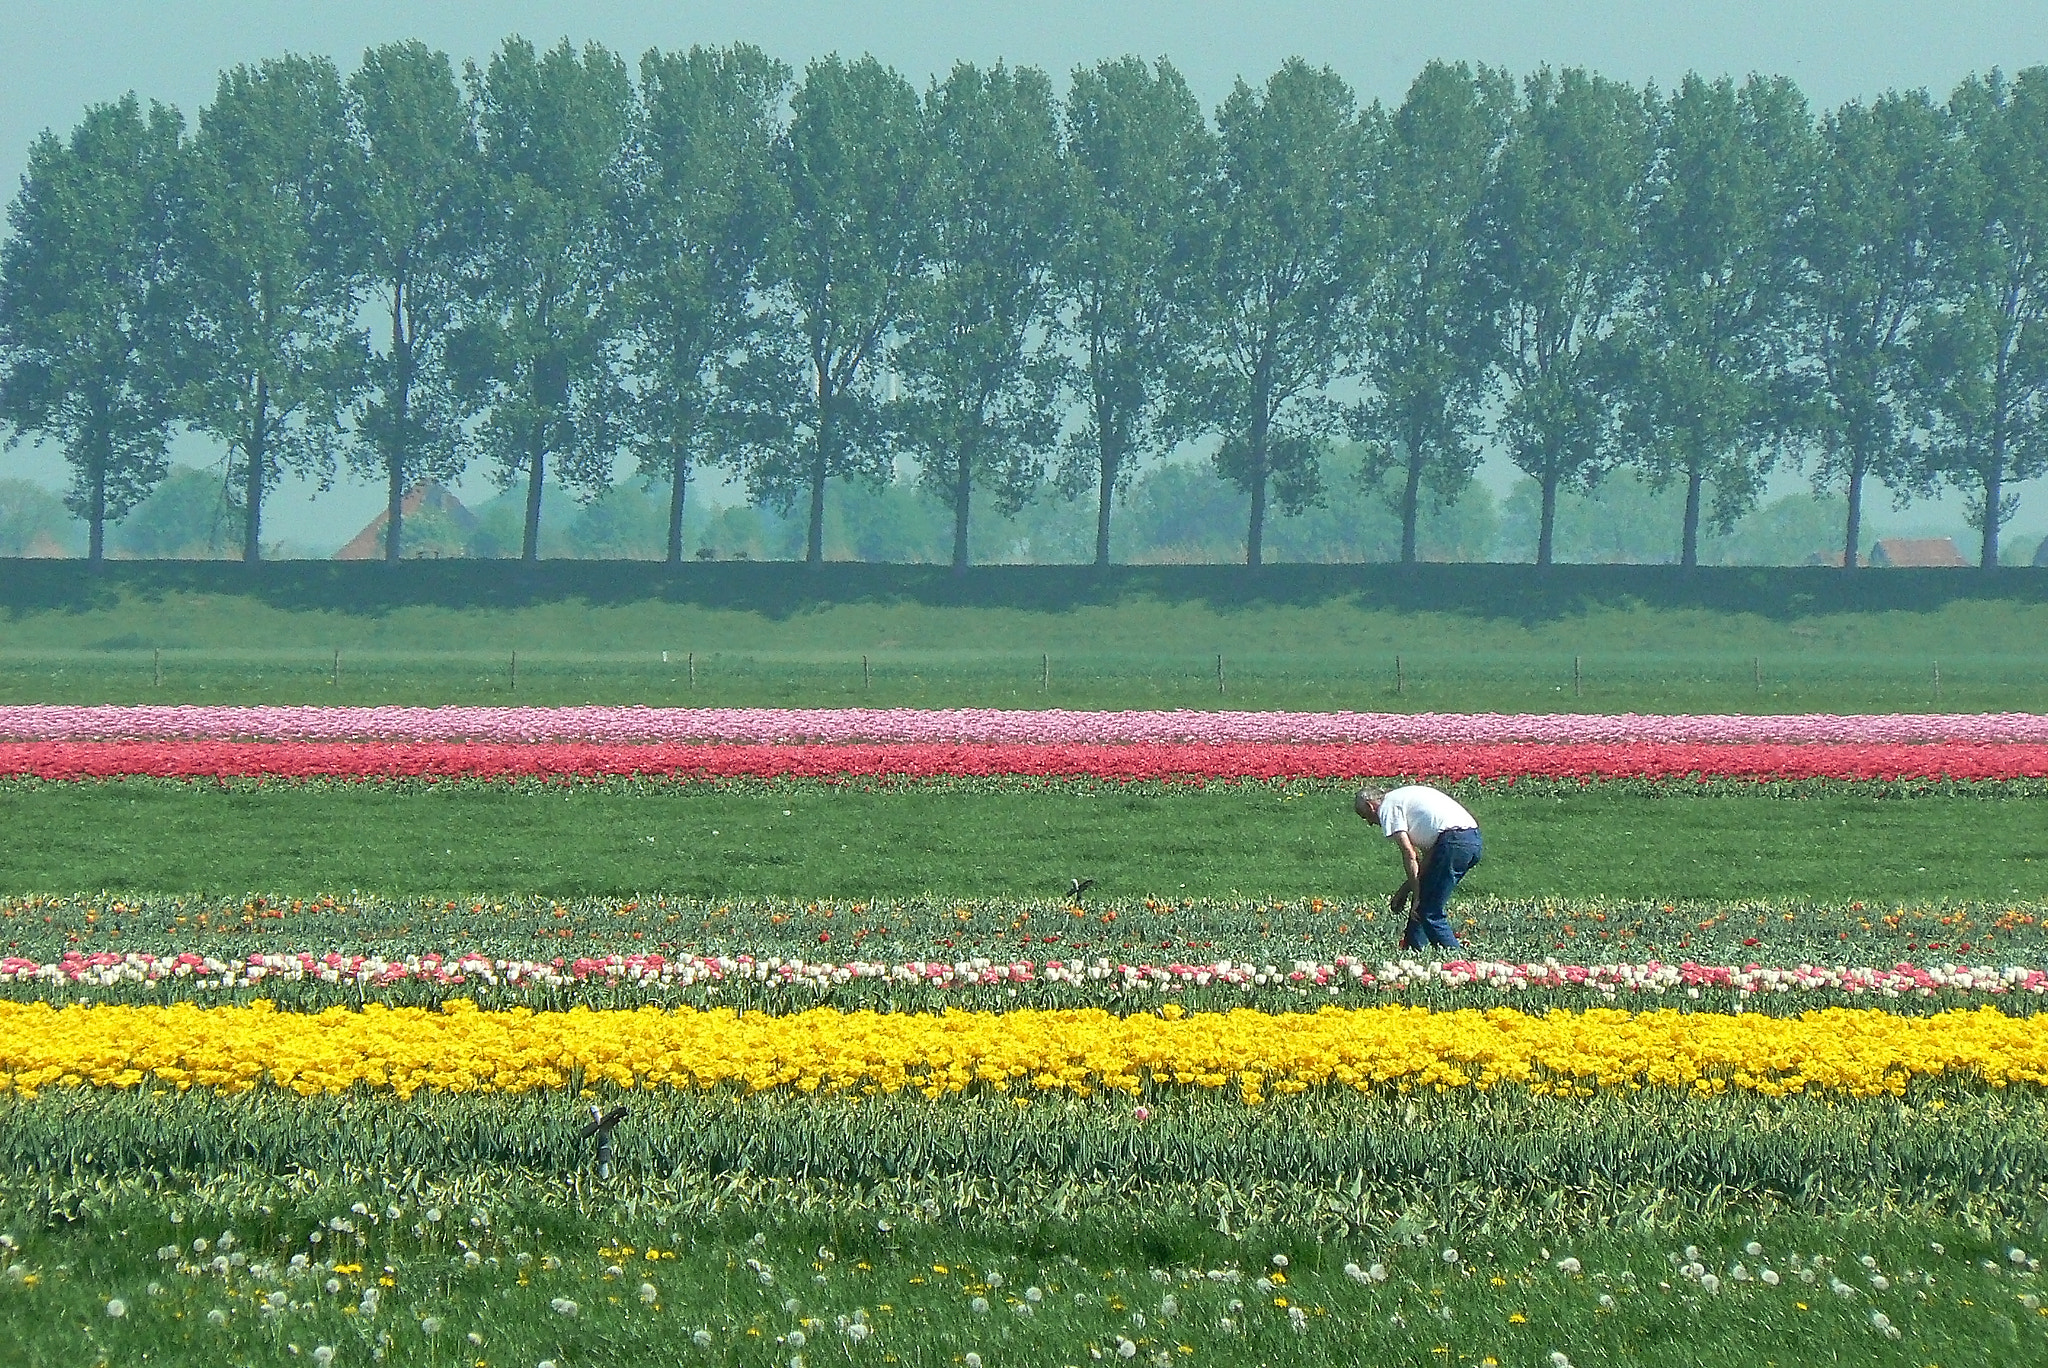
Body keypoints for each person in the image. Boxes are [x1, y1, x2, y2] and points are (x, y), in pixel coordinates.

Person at [1354, 785, 1482, 951]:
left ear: (1371, 806)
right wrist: (1406, 890)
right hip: (1470, 840)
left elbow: (1409, 854)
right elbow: (1427, 860)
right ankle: (1413, 950)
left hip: (1454, 842)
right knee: (1423, 903)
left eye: (1365, 817)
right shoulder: (1402, 798)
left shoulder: (1387, 807)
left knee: (1429, 911)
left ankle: (1456, 961)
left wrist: (1417, 897)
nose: (1370, 823)